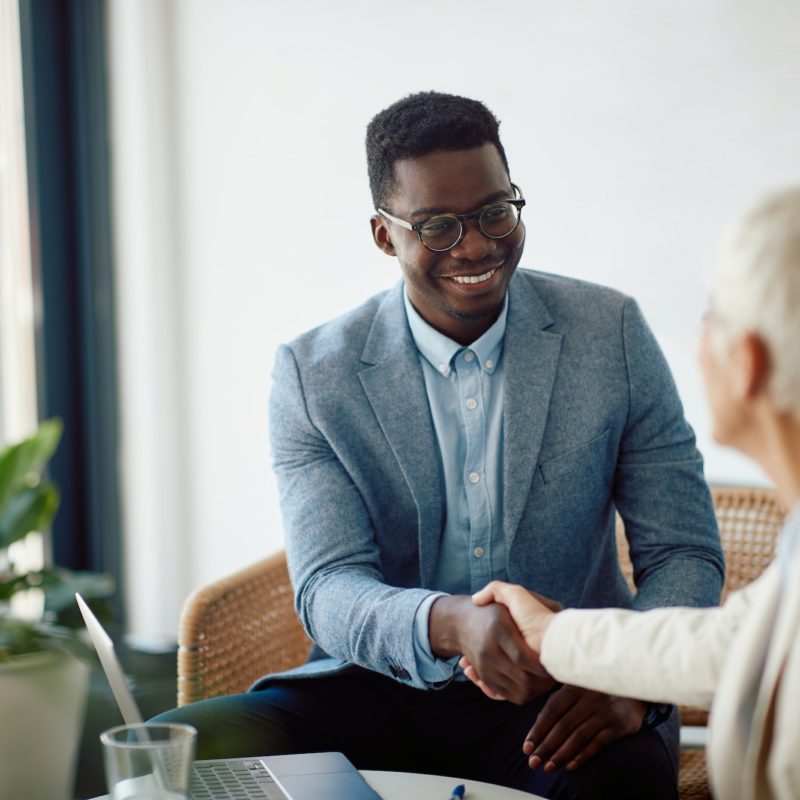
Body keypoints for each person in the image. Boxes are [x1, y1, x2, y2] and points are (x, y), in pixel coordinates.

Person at [155, 91, 724, 798]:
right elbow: (328, 587)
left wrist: (632, 679)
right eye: (438, 226)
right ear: (383, 234)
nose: (479, 245)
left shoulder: (609, 336)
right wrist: (447, 625)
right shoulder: (314, 375)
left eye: (495, 212)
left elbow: (685, 552)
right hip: (373, 688)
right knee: (176, 755)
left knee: (625, 780)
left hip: (561, 692)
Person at [460, 186, 800, 800]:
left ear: (745, 361)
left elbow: (696, 571)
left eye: (709, 317)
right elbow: (739, 642)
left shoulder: (607, 328)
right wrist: (558, 639)